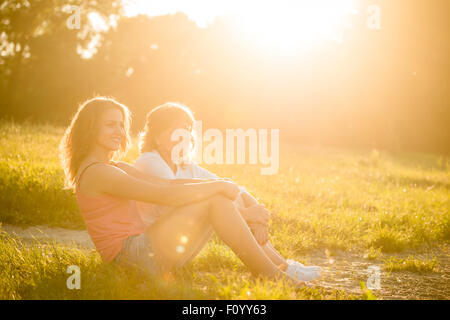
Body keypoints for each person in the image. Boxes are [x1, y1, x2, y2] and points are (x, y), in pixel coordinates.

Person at [59, 96, 304, 286]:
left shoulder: (113, 167)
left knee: (216, 198)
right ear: (91, 128)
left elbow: (167, 185)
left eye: (121, 125)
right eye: (110, 125)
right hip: (130, 259)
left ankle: (273, 272)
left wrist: (219, 185)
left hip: (144, 252)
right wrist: (218, 187)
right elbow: (164, 195)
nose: (119, 131)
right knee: (214, 199)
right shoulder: (97, 173)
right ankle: (272, 275)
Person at [134, 102, 322, 281]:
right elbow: (178, 199)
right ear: (157, 137)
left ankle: (282, 266)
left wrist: (257, 216)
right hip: (153, 251)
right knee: (218, 196)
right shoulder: (150, 161)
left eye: (188, 129)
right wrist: (248, 215)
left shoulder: (184, 166)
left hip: (176, 248)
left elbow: (233, 188)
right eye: (176, 130)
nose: (185, 136)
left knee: (229, 194)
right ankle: (275, 270)